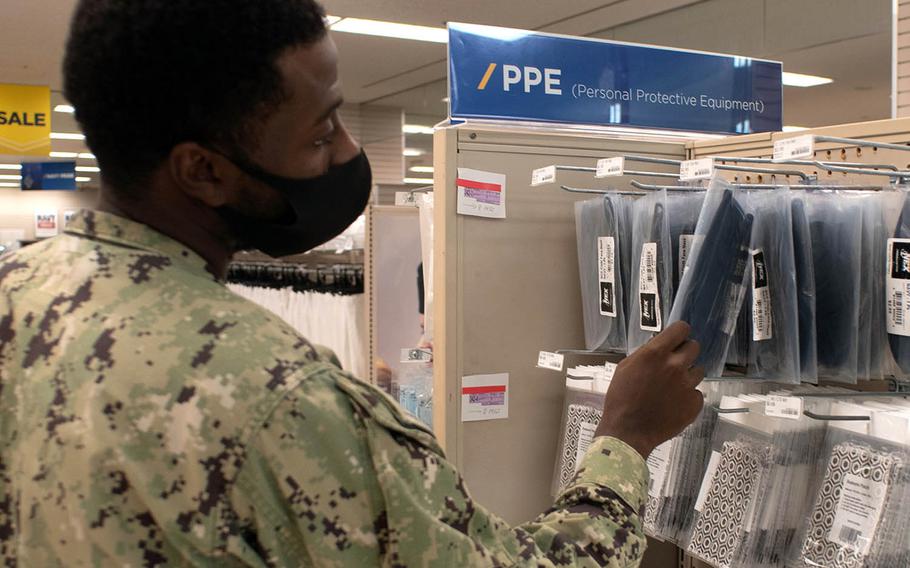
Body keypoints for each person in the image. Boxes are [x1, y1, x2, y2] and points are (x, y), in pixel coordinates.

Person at [0, 0, 705, 565]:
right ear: (202, 171)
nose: (348, 151)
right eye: (320, 133)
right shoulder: (285, 399)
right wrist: (625, 438)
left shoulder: (16, 291)